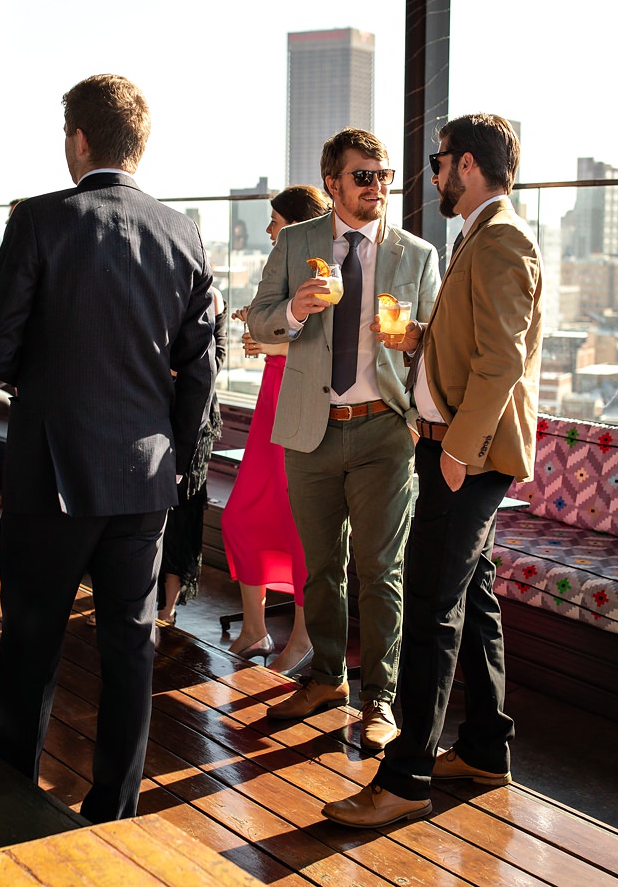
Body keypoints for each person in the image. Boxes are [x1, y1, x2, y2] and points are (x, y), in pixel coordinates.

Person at [0, 74, 216, 823]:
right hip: (145, 477)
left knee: (32, 644)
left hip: (53, 474)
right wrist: (178, 467)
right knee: (130, 650)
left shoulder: (42, 220)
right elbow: (201, 370)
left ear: (78, 141)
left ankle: (13, 794)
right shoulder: (184, 231)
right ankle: (112, 806)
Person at [322, 114, 543, 828]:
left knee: (428, 608)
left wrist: (456, 452)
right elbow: (474, 341)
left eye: (438, 161)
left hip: (464, 458)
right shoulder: (479, 234)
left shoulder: (502, 239)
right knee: (472, 600)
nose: (433, 174)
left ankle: (406, 776)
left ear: (468, 164)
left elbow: (503, 361)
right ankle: (485, 748)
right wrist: (419, 338)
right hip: (453, 448)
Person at [247, 128, 440, 751]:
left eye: (384, 176)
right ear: (333, 183)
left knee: (381, 568)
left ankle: (379, 698)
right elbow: (256, 315)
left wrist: (413, 341)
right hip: (310, 432)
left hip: (385, 430)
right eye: (364, 176)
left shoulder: (417, 254)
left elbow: (437, 343)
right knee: (321, 567)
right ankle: (328, 677)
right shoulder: (299, 241)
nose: (377, 186)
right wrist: (297, 311)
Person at [222, 184, 330, 674]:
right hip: (271, 402)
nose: (268, 229)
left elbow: (331, 350)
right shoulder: (283, 267)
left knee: (300, 526)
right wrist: (258, 323)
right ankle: (255, 628)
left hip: (302, 404)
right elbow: (280, 324)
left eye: (275, 220)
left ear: (298, 223)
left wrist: (273, 348)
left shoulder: (324, 272)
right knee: (242, 516)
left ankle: (303, 638)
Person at [157, 286, 225, 623]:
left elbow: (214, 362)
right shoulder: (165, 289)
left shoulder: (211, 298)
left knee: (182, 511)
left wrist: (173, 371)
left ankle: (167, 606)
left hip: (194, 422)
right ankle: (129, 598)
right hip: (153, 412)